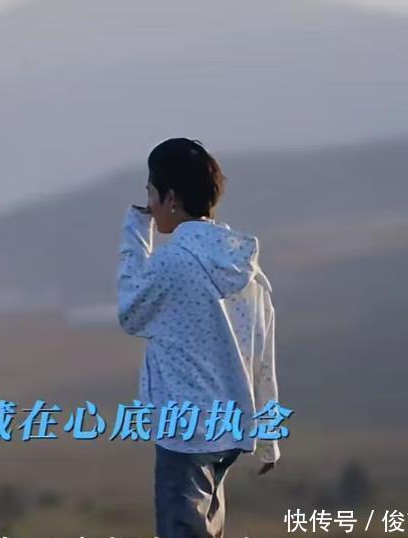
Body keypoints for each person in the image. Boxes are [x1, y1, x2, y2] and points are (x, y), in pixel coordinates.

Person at [117, 138, 281, 538]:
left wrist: (135, 232)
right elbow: (262, 351)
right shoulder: (243, 263)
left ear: (171, 198)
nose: (150, 205)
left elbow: (130, 313)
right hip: (228, 428)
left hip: (186, 433)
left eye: (151, 193)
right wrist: (268, 434)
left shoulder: (173, 262)